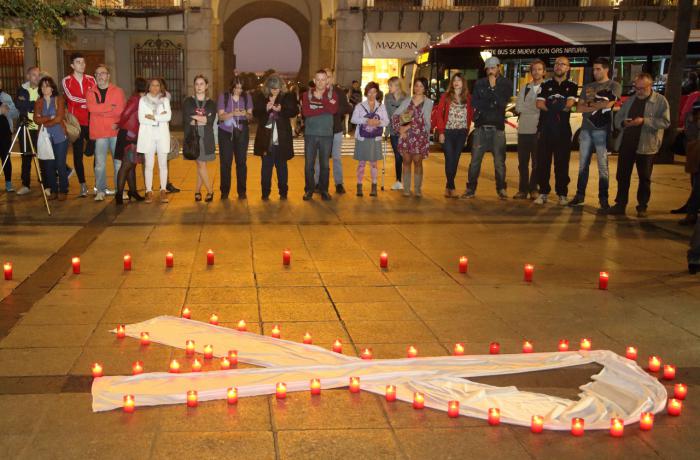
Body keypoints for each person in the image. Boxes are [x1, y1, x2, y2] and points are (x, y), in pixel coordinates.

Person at [607, 73, 670, 218]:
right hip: (627, 144)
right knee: (622, 175)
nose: (639, 91)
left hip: (646, 146)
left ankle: (642, 205)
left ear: (651, 86)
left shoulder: (660, 101)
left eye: (642, 88)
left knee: (644, 177)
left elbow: (665, 122)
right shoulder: (631, 100)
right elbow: (618, 117)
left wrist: (645, 121)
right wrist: (624, 123)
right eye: (636, 88)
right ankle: (620, 204)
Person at [570, 57, 621, 210]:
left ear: (606, 70)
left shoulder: (614, 85)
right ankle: (580, 195)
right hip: (586, 129)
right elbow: (578, 108)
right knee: (582, 165)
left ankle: (603, 198)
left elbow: (608, 104)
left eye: (598, 69)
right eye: (594, 69)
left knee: (602, 166)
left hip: (602, 130)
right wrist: (596, 105)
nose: (595, 72)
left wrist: (589, 104)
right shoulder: (588, 87)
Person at [464, 56, 511, 200]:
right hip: (481, 127)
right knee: (475, 161)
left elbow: (502, 103)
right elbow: (475, 104)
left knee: (499, 162)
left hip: (497, 128)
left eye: (493, 68)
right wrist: (491, 100)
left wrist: (492, 88)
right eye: (488, 68)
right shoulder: (480, 83)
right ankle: (470, 189)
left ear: (499, 68)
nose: (490, 71)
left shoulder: (506, 83)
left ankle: (501, 188)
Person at [534, 56, 578, 206]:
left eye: (563, 64)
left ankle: (562, 194)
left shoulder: (572, 85)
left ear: (568, 68)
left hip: (563, 131)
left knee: (562, 164)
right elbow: (539, 103)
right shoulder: (545, 84)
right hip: (546, 129)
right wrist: (557, 107)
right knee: (543, 163)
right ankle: (543, 192)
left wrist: (552, 106)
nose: (559, 66)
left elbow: (569, 104)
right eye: (557, 64)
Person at [253, 74, 299, 200]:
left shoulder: (287, 97)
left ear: (281, 87)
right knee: (266, 168)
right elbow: (255, 113)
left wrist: (281, 109)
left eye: (277, 87)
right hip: (266, 139)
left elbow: (294, 111)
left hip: (282, 138)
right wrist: (265, 108)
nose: (274, 90)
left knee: (282, 167)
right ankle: (265, 193)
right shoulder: (261, 97)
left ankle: (283, 192)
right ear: (268, 87)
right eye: (272, 88)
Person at [87, 65, 125, 202]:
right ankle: (100, 190)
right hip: (99, 133)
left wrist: (101, 110)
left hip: (115, 131)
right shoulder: (90, 92)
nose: (99, 76)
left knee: (118, 163)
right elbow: (91, 109)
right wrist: (110, 107)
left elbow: (119, 110)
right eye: (97, 74)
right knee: (99, 164)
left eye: (102, 73)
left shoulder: (118, 91)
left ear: (108, 75)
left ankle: (119, 190)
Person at [391, 77, 433, 197]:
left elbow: (423, 121)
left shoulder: (428, 102)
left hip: (420, 136)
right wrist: (400, 129)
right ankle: (406, 189)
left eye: (421, 86)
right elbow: (395, 116)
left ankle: (418, 189)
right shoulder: (407, 101)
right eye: (416, 85)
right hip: (407, 136)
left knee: (417, 161)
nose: (418, 88)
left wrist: (408, 124)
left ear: (425, 88)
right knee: (406, 161)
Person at [301, 69, 338, 201]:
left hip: (326, 134)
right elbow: (306, 112)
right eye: (318, 79)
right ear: (314, 80)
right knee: (309, 164)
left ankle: (324, 190)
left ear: (327, 80)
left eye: (323, 79)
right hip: (310, 134)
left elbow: (333, 110)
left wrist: (318, 104)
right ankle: (309, 190)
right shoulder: (306, 95)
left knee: (325, 165)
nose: (321, 82)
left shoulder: (332, 94)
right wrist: (323, 108)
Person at [62, 52, 95, 197]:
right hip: (75, 122)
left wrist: (87, 102)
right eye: (78, 62)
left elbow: (95, 95)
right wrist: (87, 102)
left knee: (94, 149)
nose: (82, 65)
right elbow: (71, 98)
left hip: (91, 119)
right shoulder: (67, 80)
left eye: (83, 62)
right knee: (77, 155)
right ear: (72, 65)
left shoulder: (91, 79)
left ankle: (99, 184)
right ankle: (82, 184)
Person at [314, 69, 351, 195]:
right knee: (320, 158)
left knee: (336, 158)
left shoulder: (339, 92)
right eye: (325, 77)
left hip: (336, 130)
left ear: (332, 78)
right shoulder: (317, 92)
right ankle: (317, 182)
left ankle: (339, 183)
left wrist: (334, 109)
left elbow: (347, 108)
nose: (327, 79)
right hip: (321, 131)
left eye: (329, 77)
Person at [435, 73, 471, 198]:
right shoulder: (446, 97)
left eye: (459, 80)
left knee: (455, 160)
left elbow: (470, 115)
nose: (456, 82)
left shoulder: (468, 98)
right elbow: (439, 115)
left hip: (461, 133)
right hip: (448, 132)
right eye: (454, 80)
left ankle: (448, 187)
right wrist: (441, 132)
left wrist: (466, 132)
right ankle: (452, 187)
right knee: (449, 159)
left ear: (463, 83)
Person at [33, 76, 69, 201]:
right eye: (42, 86)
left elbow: (59, 117)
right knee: (49, 165)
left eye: (47, 85)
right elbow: (36, 119)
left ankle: (63, 190)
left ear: (52, 88)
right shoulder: (39, 102)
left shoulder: (59, 99)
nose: (44, 88)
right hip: (45, 138)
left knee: (60, 164)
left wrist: (45, 120)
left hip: (60, 136)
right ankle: (53, 190)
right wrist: (50, 117)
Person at [513, 59, 545, 200]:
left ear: (544, 72)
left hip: (539, 130)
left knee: (537, 163)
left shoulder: (547, 88)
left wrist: (532, 108)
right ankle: (522, 190)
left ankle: (534, 188)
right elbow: (518, 107)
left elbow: (545, 108)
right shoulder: (525, 87)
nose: (536, 72)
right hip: (523, 130)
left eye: (539, 69)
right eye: (534, 69)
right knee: (522, 163)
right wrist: (535, 107)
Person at [137, 78, 172, 204]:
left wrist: (154, 117)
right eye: (153, 85)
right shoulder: (143, 100)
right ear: (149, 87)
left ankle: (163, 189)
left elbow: (168, 116)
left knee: (163, 164)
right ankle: (148, 190)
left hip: (162, 134)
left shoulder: (164, 100)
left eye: (158, 85)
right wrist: (160, 117)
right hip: (148, 135)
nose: (155, 88)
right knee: (149, 165)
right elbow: (141, 119)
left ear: (160, 87)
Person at [351, 81, 388, 197]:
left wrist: (378, 122)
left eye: (374, 92)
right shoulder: (359, 106)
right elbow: (353, 119)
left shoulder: (381, 107)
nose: (372, 95)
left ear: (377, 93)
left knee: (374, 163)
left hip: (375, 138)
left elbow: (387, 121)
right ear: (366, 93)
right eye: (369, 92)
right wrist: (366, 120)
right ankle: (359, 185)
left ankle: (374, 186)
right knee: (361, 163)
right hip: (362, 138)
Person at [217, 77, 252, 200]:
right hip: (225, 132)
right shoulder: (224, 97)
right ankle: (224, 192)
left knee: (241, 162)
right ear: (232, 87)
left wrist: (244, 114)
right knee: (226, 163)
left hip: (242, 132)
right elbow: (220, 117)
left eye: (241, 88)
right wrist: (232, 114)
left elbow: (250, 116)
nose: (239, 90)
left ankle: (242, 192)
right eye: (237, 87)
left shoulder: (247, 97)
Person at [115, 77, 147, 205]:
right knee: (127, 165)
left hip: (133, 135)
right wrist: (119, 124)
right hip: (129, 135)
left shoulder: (140, 99)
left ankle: (133, 191)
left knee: (132, 164)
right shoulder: (136, 99)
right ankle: (119, 194)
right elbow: (125, 114)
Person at [184, 75, 217, 202]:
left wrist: (195, 117)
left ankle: (197, 191)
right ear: (194, 86)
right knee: (200, 163)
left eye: (201, 84)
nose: (199, 86)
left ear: (206, 86)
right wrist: (202, 118)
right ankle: (210, 191)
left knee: (200, 165)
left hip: (206, 137)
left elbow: (210, 120)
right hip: (193, 136)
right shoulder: (188, 101)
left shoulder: (211, 103)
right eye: (196, 84)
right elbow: (188, 120)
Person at [15, 67, 42, 196]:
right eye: (33, 75)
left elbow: (43, 105)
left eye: (38, 75)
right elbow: (20, 105)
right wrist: (33, 104)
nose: (36, 77)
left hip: (40, 128)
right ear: (27, 76)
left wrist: (30, 104)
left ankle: (46, 184)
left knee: (42, 156)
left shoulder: (43, 90)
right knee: (26, 156)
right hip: (26, 128)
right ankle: (26, 184)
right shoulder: (22, 89)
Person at [678, 100, 700, 226]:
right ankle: (691, 212)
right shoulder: (695, 108)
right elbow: (690, 132)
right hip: (697, 154)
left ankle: (692, 212)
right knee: (696, 185)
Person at [384, 76, 406, 191]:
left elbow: (408, 115)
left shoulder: (406, 97)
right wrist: (387, 130)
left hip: (405, 132)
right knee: (398, 156)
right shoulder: (387, 97)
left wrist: (404, 128)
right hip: (393, 131)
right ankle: (398, 181)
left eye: (390, 85)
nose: (389, 88)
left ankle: (404, 180)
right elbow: (387, 114)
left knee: (404, 156)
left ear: (397, 86)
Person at [0, 80, 19, 192]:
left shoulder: (6, 97)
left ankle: (8, 182)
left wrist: (7, 110)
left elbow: (15, 113)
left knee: (6, 157)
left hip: (4, 132)